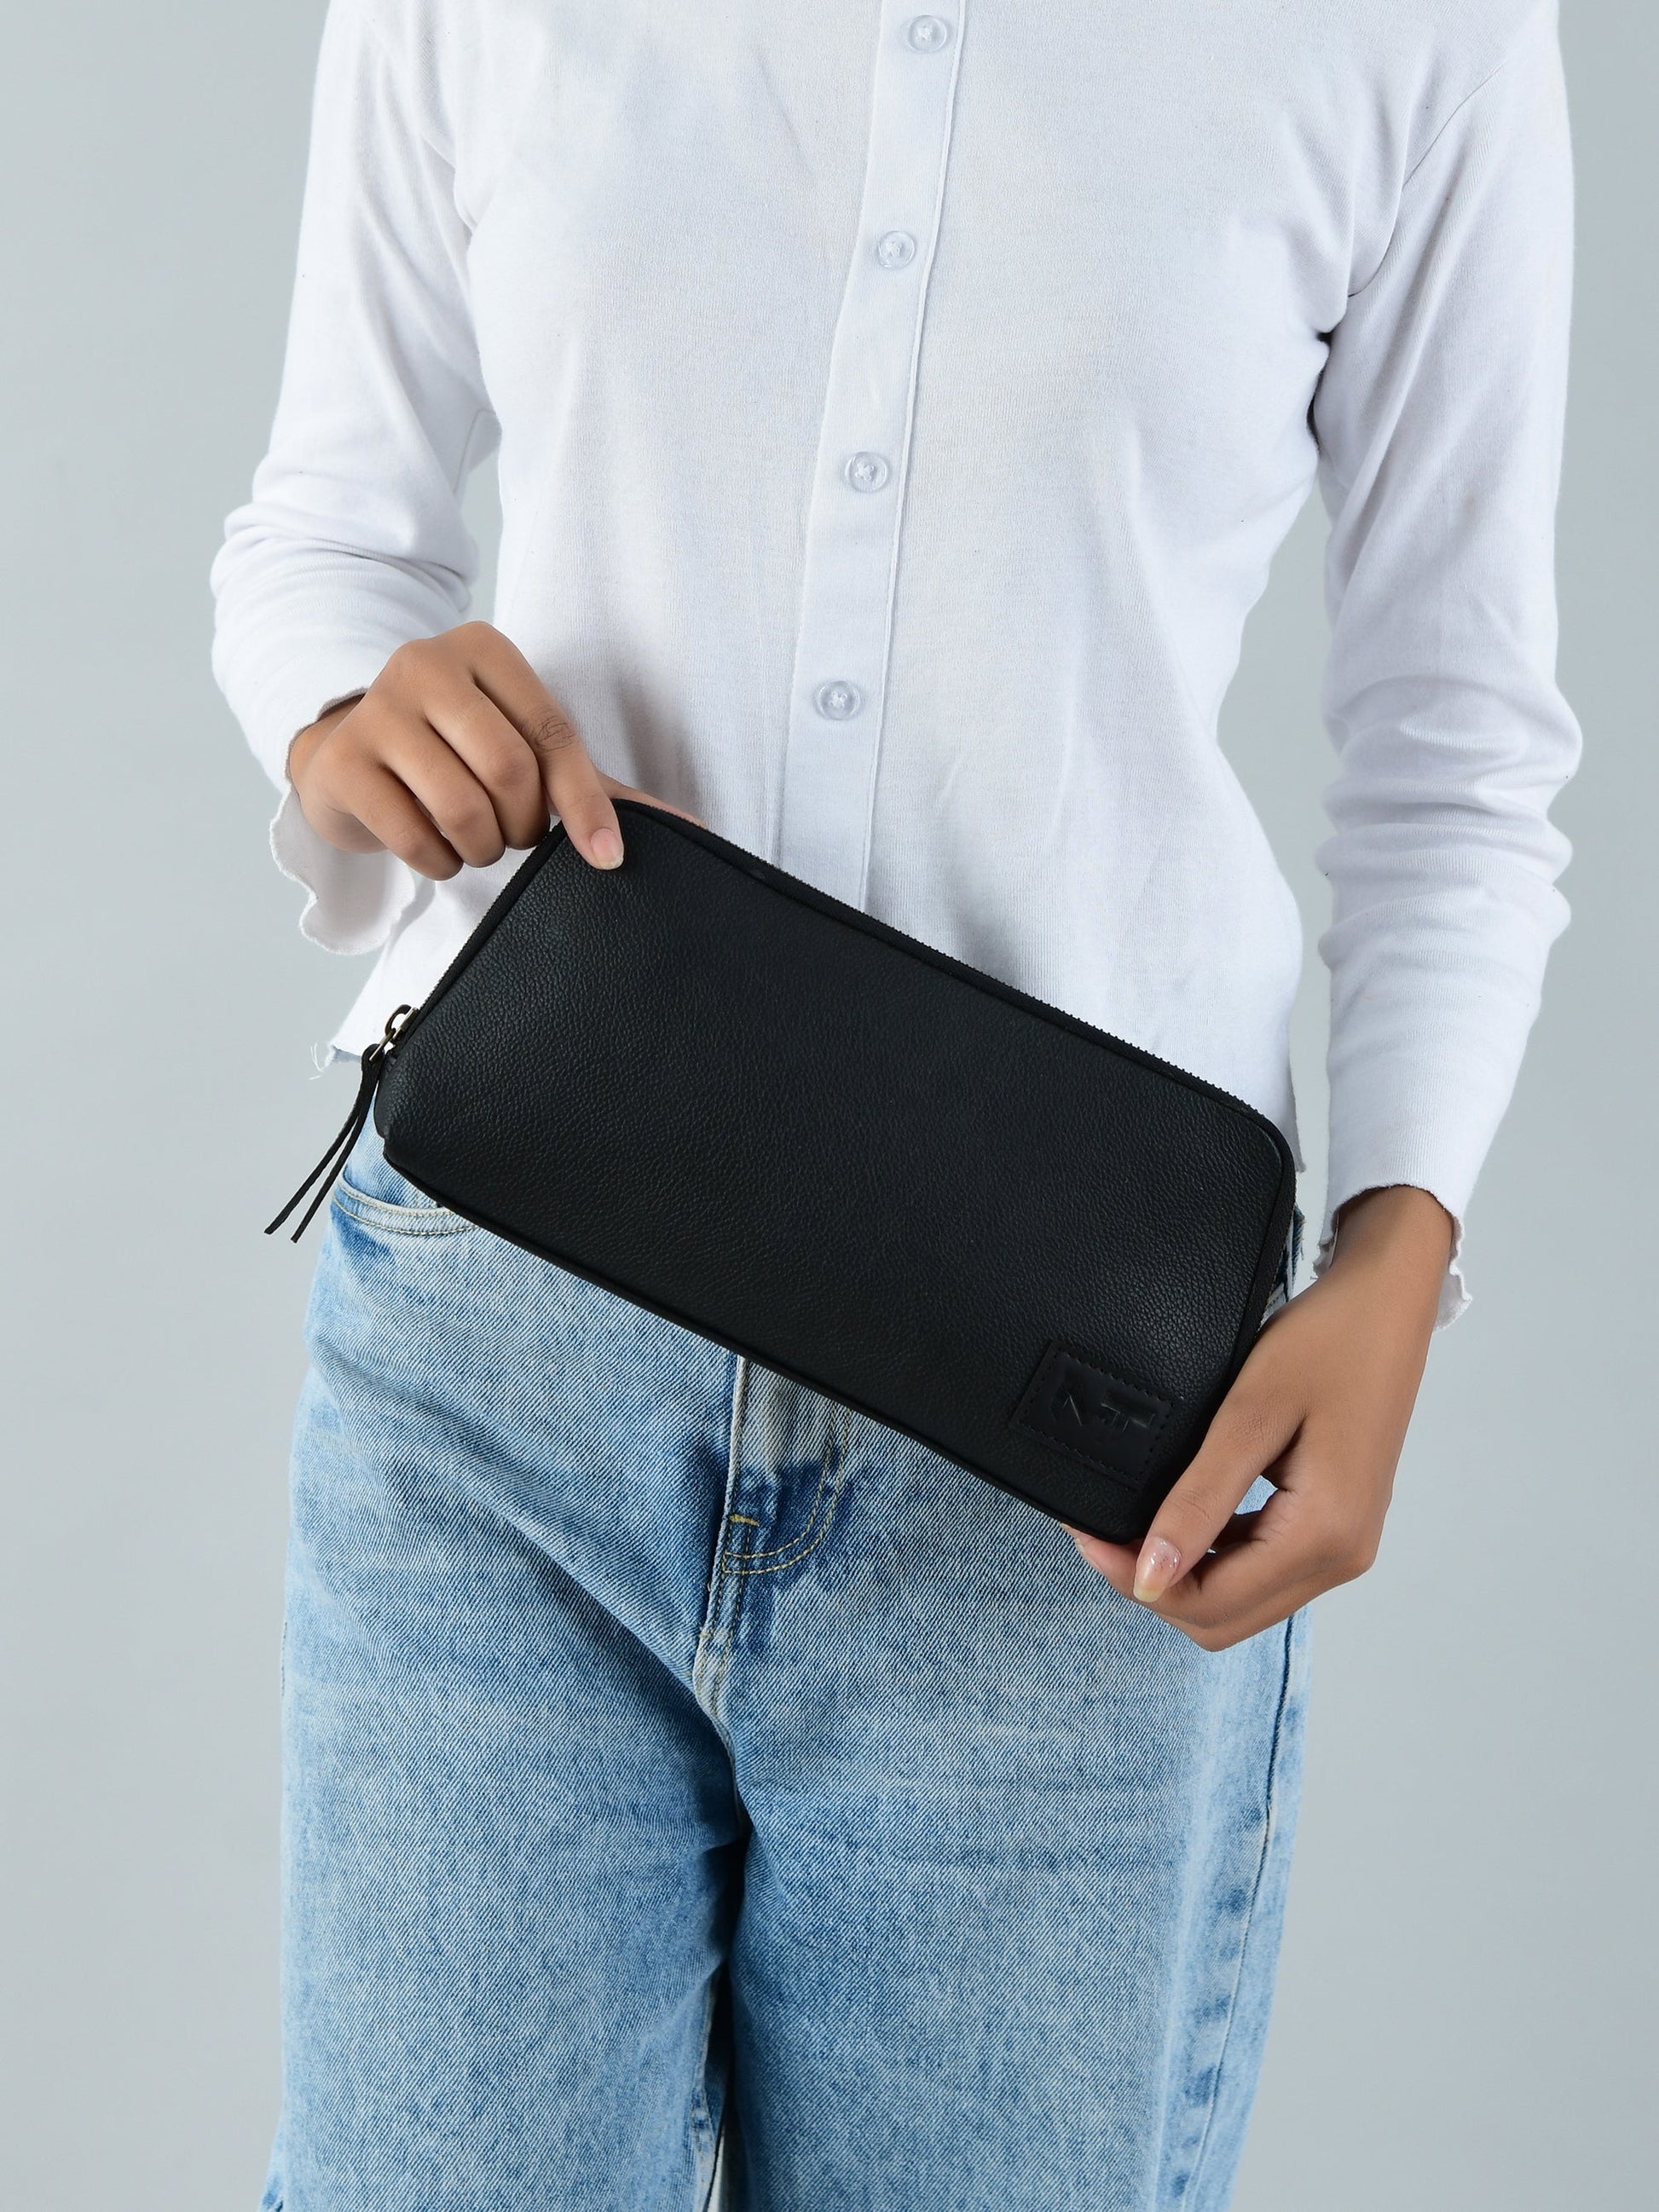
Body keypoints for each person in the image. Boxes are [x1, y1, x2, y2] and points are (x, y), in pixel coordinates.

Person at [210, 2, 1581, 2205]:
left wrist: (1400, 1247)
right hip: (505, 1360)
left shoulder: (1414, 33)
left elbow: (1457, 736)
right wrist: (341, 705)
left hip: (1058, 1445)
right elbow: (323, 533)